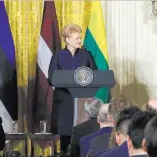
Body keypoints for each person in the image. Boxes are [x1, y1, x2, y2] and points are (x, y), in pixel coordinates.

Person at [48, 24, 98, 152]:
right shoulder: (58, 56)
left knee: (82, 132)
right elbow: (52, 77)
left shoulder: (86, 55)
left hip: (82, 100)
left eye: (80, 38)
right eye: (77, 38)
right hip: (64, 100)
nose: (80, 41)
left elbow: (95, 74)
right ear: (67, 39)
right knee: (65, 134)